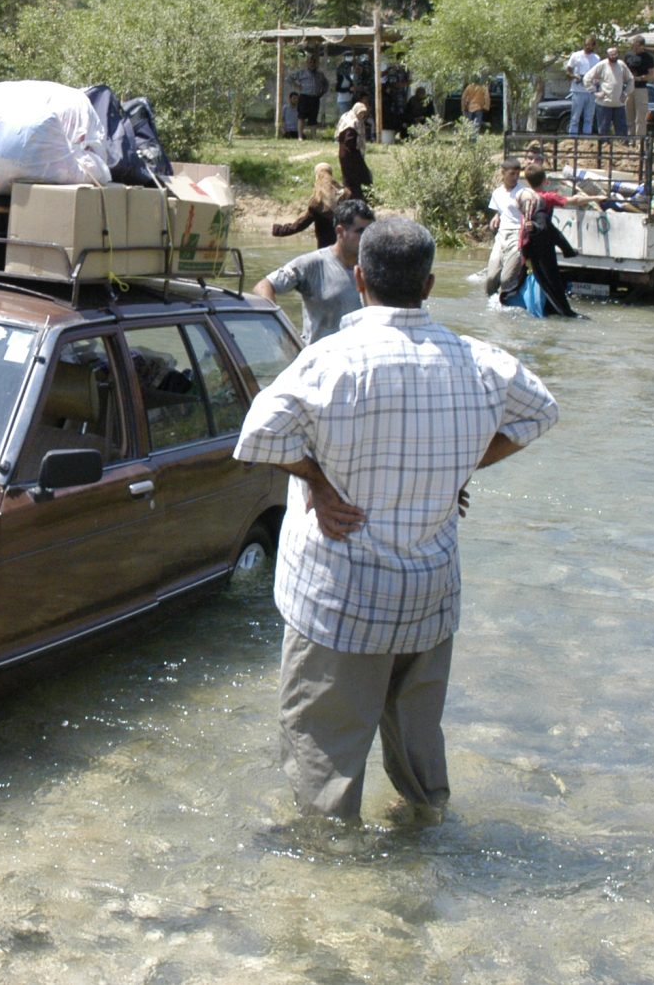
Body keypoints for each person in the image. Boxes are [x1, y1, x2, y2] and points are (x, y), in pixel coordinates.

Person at [232, 215, 559, 822]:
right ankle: (426, 837)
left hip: (340, 599)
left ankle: (332, 887)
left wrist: (317, 481)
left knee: (324, 758)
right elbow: (540, 413)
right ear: (430, 286)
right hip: (428, 595)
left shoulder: (330, 362)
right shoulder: (481, 362)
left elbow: (256, 437)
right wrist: (462, 466)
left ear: (359, 280)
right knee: (418, 747)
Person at [253, 199, 373, 345]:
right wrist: (278, 332)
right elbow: (263, 286)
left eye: (370, 231)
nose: (367, 238)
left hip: (360, 359)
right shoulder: (312, 264)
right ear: (340, 232)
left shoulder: (374, 267)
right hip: (321, 360)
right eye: (360, 231)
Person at [520, 167, 598, 318]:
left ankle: (547, 307)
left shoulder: (525, 197)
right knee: (552, 278)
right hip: (543, 241)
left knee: (541, 277)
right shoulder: (546, 197)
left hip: (529, 241)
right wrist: (595, 198)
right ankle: (564, 311)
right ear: (544, 181)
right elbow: (573, 201)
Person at [482, 157, 528, 296]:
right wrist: (496, 217)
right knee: (491, 279)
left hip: (517, 234)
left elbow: (530, 213)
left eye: (517, 174)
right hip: (501, 236)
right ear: (503, 173)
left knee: (506, 279)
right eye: (511, 174)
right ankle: (492, 308)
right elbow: (501, 210)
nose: (515, 177)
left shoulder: (523, 192)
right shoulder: (497, 193)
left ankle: (510, 305)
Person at [272, 163, 346, 250]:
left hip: (325, 250)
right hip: (346, 247)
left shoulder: (317, 203)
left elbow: (300, 224)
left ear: (317, 177)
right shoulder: (345, 195)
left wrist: (278, 230)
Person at [587, 45, 634, 136]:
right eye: (611, 54)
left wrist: (626, 93)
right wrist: (595, 92)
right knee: (603, 131)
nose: (614, 56)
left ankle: (622, 148)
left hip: (619, 104)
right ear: (607, 55)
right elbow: (587, 78)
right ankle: (604, 147)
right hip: (604, 104)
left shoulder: (621, 65)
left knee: (622, 131)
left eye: (615, 54)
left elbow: (631, 79)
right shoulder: (602, 65)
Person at [336, 103, 373, 201]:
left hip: (345, 153)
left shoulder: (347, 117)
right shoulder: (353, 123)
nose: (362, 116)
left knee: (350, 177)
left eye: (363, 114)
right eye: (361, 113)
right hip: (350, 155)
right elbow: (349, 141)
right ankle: (359, 198)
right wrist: (356, 153)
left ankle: (354, 197)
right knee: (361, 176)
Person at [565, 38, 599, 135]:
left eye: (590, 45)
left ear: (593, 46)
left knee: (589, 117)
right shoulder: (576, 56)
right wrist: (575, 76)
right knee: (575, 117)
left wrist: (596, 80)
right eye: (586, 45)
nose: (588, 47)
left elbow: (599, 74)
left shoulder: (596, 58)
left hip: (591, 91)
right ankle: (572, 138)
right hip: (578, 91)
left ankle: (586, 139)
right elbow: (568, 72)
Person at [624, 43, 654, 135]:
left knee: (640, 117)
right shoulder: (628, 55)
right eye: (634, 46)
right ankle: (630, 139)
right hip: (629, 88)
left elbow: (652, 75)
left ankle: (639, 141)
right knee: (629, 116)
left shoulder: (648, 57)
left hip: (641, 88)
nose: (635, 48)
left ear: (642, 46)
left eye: (637, 46)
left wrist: (640, 78)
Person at [294, 52, 327, 132]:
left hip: (315, 98)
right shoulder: (301, 73)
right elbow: (289, 79)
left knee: (313, 118)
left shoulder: (320, 74)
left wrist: (322, 92)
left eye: (313, 62)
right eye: (310, 62)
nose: (312, 64)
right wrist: (297, 86)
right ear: (307, 63)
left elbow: (326, 84)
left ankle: (313, 136)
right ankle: (300, 136)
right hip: (304, 97)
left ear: (316, 64)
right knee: (301, 117)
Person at [334, 55, 357, 123]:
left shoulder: (348, 77)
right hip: (343, 101)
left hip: (349, 99)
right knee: (345, 118)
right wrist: (348, 89)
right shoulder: (340, 77)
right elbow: (337, 89)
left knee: (350, 118)